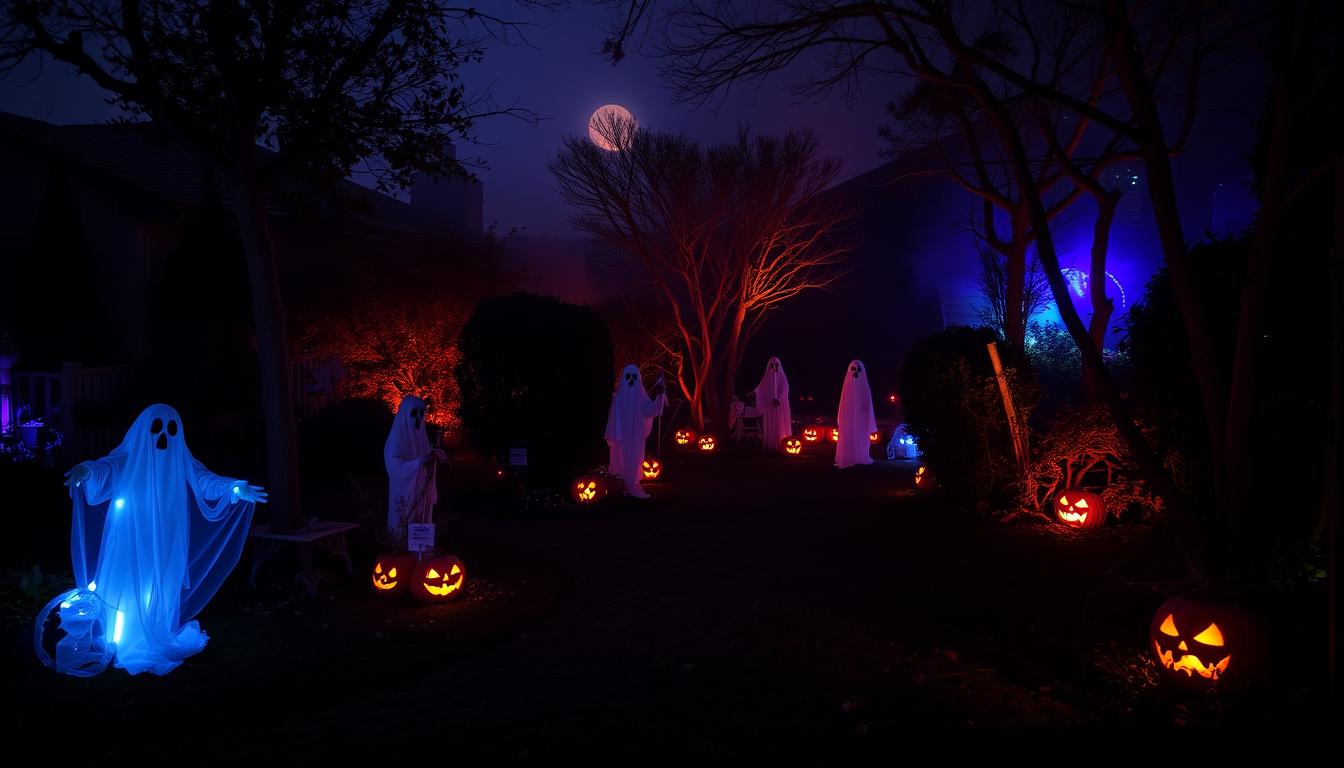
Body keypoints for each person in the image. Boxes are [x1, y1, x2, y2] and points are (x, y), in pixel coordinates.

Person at [62, 403, 265, 675]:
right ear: (143, 430)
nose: (163, 437)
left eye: (171, 430)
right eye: (157, 429)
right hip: (131, 537)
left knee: (161, 583)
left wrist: (235, 488)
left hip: (168, 538)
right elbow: (106, 467)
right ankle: (121, 636)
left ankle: (154, 631)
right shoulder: (130, 459)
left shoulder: (180, 462)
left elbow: (204, 480)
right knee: (128, 580)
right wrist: (86, 470)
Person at [385, 395, 446, 540]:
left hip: (420, 492)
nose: (418, 418)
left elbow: (425, 456)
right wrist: (419, 462)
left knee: (419, 527)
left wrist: (434, 457)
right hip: (405, 493)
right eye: (414, 413)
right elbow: (394, 467)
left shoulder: (420, 436)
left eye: (421, 413)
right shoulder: (396, 440)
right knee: (404, 525)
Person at [605, 364, 667, 498]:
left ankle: (631, 483)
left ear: (638, 378)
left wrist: (660, 395)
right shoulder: (619, 397)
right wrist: (614, 434)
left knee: (633, 458)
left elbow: (651, 410)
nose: (631, 380)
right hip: (621, 436)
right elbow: (613, 417)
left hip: (636, 435)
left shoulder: (641, 396)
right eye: (628, 376)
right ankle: (620, 484)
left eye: (634, 377)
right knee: (620, 459)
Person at [835, 359, 877, 468]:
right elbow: (843, 404)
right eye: (853, 369)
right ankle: (849, 456)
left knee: (861, 436)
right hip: (848, 418)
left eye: (859, 369)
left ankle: (860, 456)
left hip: (862, 417)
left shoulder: (864, 387)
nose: (856, 372)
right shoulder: (847, 388)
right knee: (849, 435)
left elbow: (868, 404)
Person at [752, 356, 792, 452]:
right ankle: (771, 443)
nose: (774, 367)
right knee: (771, 424)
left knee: (779, 424)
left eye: (776, 365)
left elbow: (785, 389)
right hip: (770, 407)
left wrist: (779, 399)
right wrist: (754, 393)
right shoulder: (767, 379)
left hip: (779, 408)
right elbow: (761, 388)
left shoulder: (782, 379)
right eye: (772, 365)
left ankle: (781, 443)